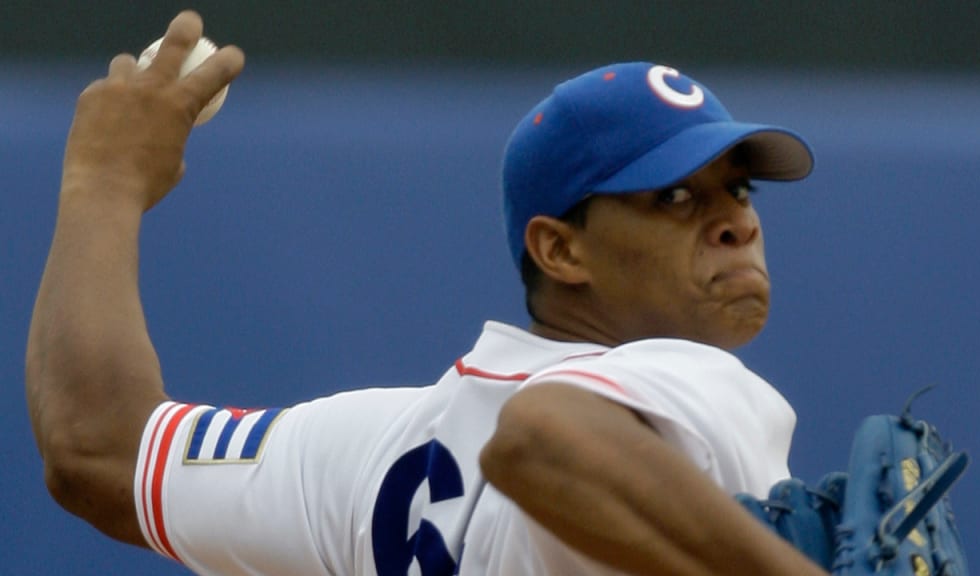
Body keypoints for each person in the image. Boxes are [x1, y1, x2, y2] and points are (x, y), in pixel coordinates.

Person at [26, 10, 830, 576]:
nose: (735, 224)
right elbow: (540, 439)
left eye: (740, 192)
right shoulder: (694, 383)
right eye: (676, 197)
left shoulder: (376, 454)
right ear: (559, 249)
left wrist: (101, 184)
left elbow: (98, 449)